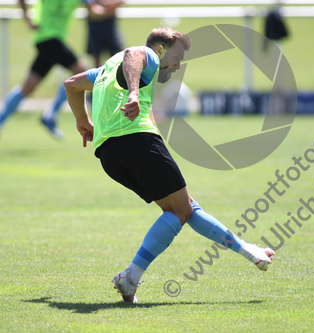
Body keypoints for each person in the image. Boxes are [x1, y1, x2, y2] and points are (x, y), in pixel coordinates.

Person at [64, 27, 276, 303]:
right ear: (161, 50)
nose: (178, 65)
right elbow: (133, 53)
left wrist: (82, 120)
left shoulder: (106, 68)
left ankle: (249, 251)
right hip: (137, 141)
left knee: (183, 207)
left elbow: (71, 84)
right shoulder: (149, 56)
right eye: (176, 56)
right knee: (180, 210)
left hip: (109, 154)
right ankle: (131, 277)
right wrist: (132, 94)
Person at [0, 0, 117, 140]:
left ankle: (2, 120)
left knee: (27, 89)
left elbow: (94, 11)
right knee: (80, 71)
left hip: (48, 42)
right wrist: (27, 18)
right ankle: (50, 114)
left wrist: (111, 6)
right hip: (47, 39)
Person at [87, 0, 125, 68]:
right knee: (97, 63)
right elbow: (93, 11)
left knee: (117, 59)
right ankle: (99, 78)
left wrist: (110, 4)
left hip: (111, 27)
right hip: (95, 28)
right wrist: (109, 9)